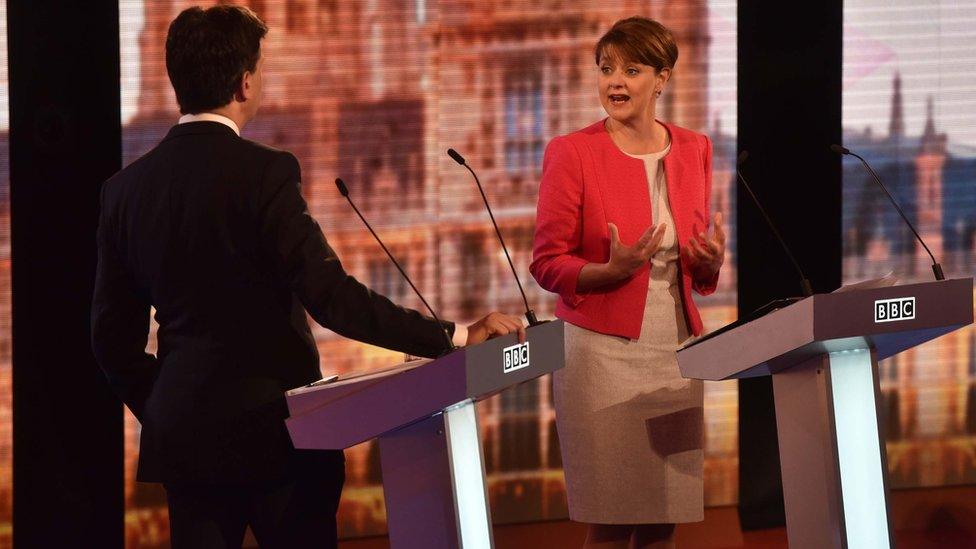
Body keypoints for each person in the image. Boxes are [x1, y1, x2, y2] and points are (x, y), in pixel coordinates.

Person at [91, 6, 524, 548]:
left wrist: (169, 405)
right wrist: (453, 336)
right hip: (283, 437)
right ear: (246, 82)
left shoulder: (124, 192)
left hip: (187, 447)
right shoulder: (266, 173)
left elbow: (110, 339)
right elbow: (332, 298)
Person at [530, 16, 725, 549]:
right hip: (600, 355)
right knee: (612, 521)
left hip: (677, 352)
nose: (614, 82)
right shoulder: (572, 153)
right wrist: (608, 272)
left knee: (663, 516)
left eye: (631, 70)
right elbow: (547, 263)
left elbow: (695, 266)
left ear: (661, 79)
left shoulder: (694, 149)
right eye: (605, 69)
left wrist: (709, 262)